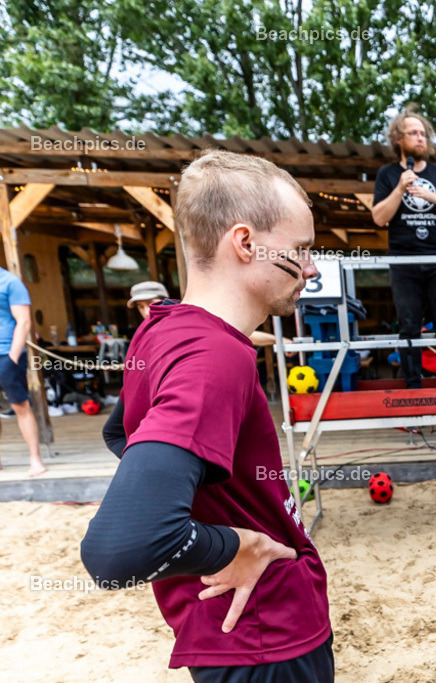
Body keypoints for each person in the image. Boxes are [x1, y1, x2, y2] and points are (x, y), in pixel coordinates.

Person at [81, 151, 334, 680]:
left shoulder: (162, 328)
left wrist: (206, 508)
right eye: (302, 249)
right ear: (245, 243)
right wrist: (237, 543)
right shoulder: (213, 358)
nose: (310, 268)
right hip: (264, 637)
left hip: (231, 631)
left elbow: (120, 433)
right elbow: (116, 551)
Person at [372, 105, 436, 388]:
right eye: (413, 133)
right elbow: (378, 218)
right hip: (404, 260)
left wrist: (431, 197)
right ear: (398, 139)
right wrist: (400, 189)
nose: (420, 138)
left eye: (423, 133)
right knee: (409, 326)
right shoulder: (387, 174)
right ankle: (413, 385)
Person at [128, 279, 285, 347]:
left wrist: (279, 340)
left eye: (150, 303)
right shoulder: (144, 332)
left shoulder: (184, 320)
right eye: (140, 307)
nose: (147, 311)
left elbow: (238, 334)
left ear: (165, 299)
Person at [0, 265, 45, 476]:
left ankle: (35, 459)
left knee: (20, 406)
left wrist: (13, 356)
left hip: (6, 352)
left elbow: (24, 321)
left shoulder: (10, 282)